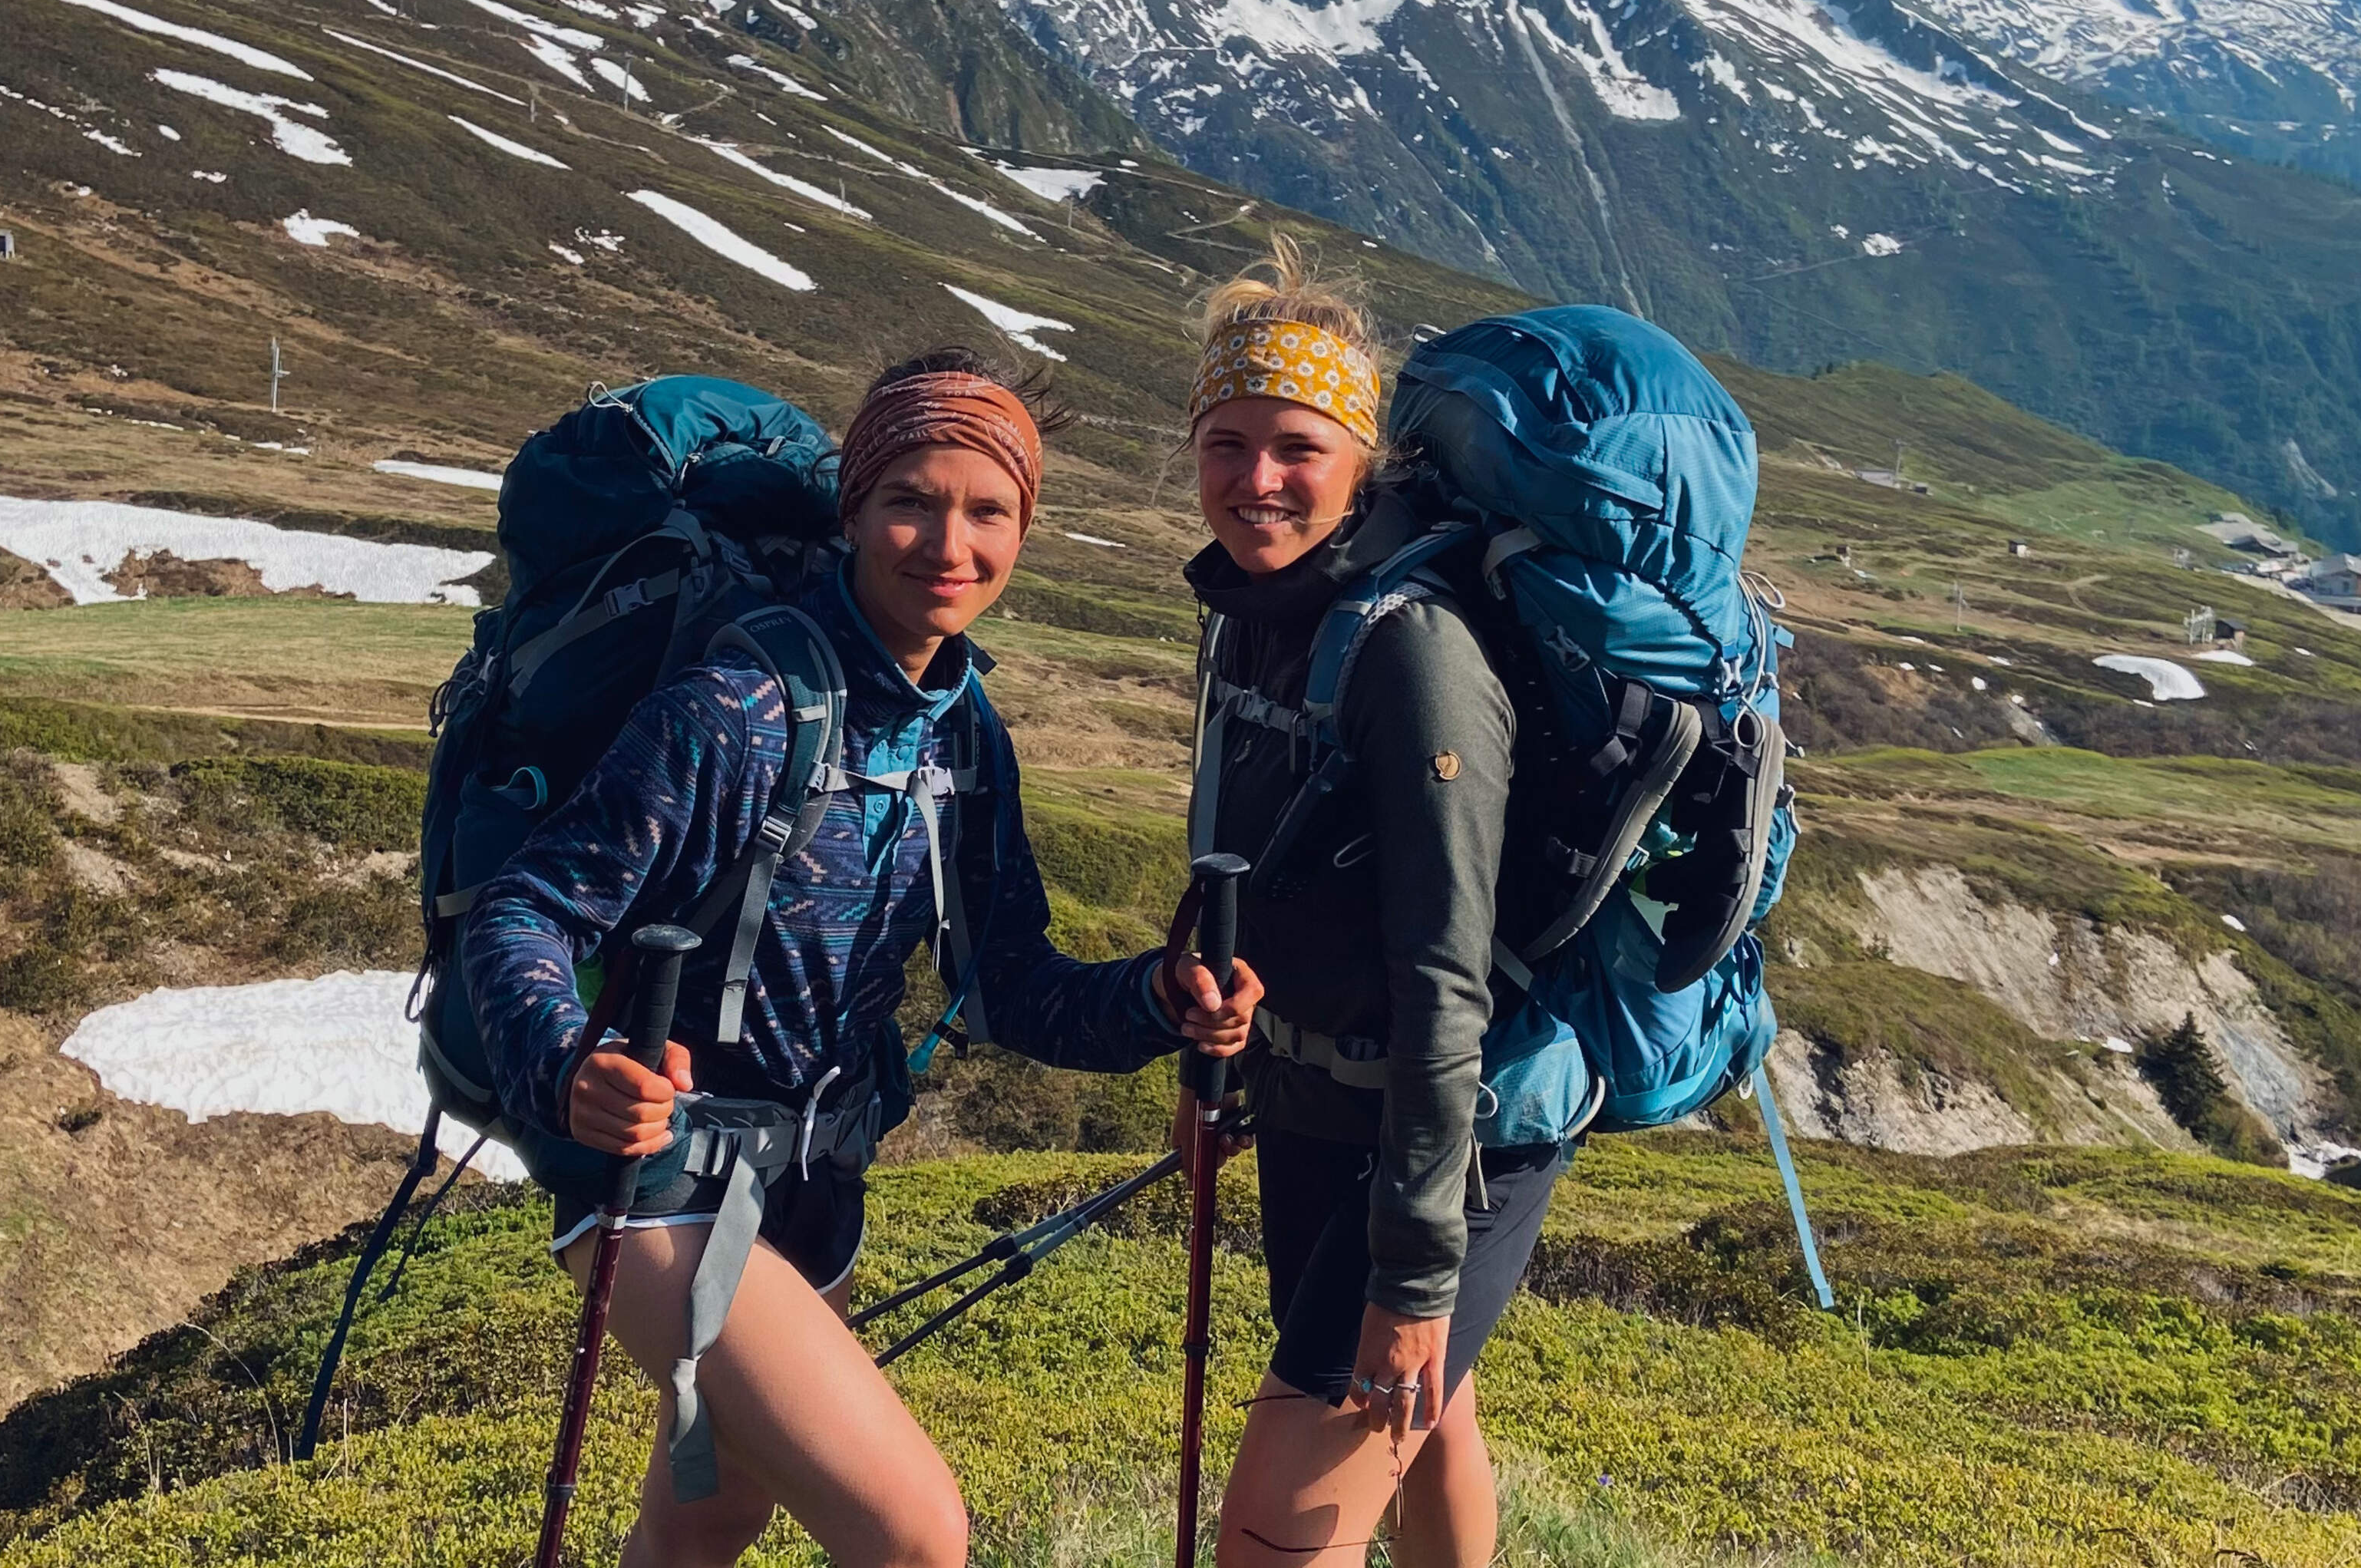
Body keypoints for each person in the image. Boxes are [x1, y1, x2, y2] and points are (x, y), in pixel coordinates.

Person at [463, 348, 1260, 1568]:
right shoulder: (741, 702)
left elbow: (1016, 990)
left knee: (714, 1511)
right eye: (911, 501)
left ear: (1024, 529)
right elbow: (526, 910)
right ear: (853, 509)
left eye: (988, 511)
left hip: (815, 1189)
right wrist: (570, 1063)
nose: (949, 543)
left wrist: (1160, 1000)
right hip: (658, 1184)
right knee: (914, 1535)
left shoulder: (966, 731)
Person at [1180, 241, 1564, 1567]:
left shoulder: (1414, 654)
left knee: (1278, 1531)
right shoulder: (1247, 616)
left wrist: (1412, 1277)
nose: (1257, 480)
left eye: (1297, 445)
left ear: (1362, 461)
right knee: (1431, 1419)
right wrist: (1209, 1066)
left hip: (1459, 1122)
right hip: (1310, 1092)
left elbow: (1445, 971)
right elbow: (1245, 863)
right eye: (1226, 444)